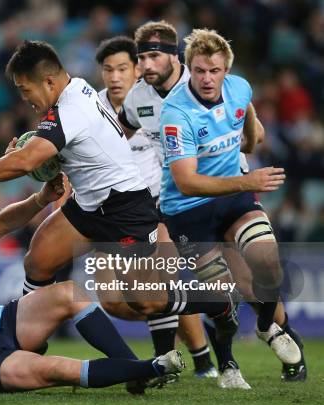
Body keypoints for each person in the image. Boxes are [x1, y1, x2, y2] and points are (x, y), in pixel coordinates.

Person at [0, 40, 242, 388]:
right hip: (87, 205)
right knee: (38, 261)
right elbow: (50, 150)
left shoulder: (71, 109)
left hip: (126, 208)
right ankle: (26, 344)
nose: (25, 99)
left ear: (49, 82)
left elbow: (27, 161)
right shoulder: (75, 89)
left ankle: (216, 302)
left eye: (26, 90)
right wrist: (35, 151)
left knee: (146, 301)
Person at [120, 20, 306, 385]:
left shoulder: (237, 86)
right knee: (222, 301)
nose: (207, 78)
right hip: (187, 209)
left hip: (234, 194)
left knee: (266, 263)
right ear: (192, 67)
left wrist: (249, 139)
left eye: (214, 71)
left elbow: (245, 112)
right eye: (201, 71)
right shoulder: (172, 111)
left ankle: (270, 329)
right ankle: (227, 366)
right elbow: (187, 182)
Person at [0, 178, 186, 393]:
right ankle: (152, 368)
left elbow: (1, 224)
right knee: (58, 369)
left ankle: (131, 368)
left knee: (69, 292)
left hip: (4, 323)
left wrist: (39, 200)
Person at [95, 35, 217, 379]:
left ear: (137, 70)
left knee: (160, 284)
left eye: (122, 68)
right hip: (110, 214)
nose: (115, 76)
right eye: (108, 69)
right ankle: (193, 320)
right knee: (113, 300)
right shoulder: (94, 109)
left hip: (156, 209)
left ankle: (199, 360)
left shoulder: (160, 105)